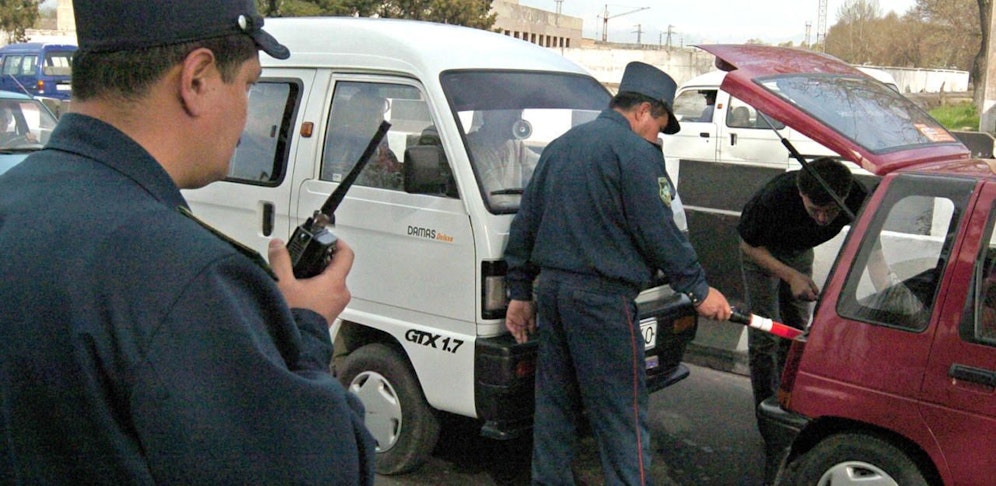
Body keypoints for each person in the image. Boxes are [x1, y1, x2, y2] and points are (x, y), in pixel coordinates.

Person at [0, 1, 375, 484]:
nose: (246, 115)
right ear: (197, 79)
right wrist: (304, 330)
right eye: (249, 85)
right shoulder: (182, 275)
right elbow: (326, 470)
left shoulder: (13, 199)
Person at [503, 61, 732, 485]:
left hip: (552, 294)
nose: (657, 136)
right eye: (659, 126)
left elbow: (525, 223)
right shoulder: (636, 154)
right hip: (602, 303)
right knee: (621, 415)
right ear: (644, 110)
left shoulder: (561, 145)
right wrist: (700, 291)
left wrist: (519, 291)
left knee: (554, 408)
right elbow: (660, 231)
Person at [738, 157, 868, 414]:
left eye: (830, 211)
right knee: (766, 332)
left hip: (799, 250)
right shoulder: (774, 197)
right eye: (814, 210)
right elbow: (749, 245)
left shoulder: (859, 198)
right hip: (762, 252)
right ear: (801, 194)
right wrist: (791, 276)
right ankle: (765, 408)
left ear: (843, 196)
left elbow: (871, 250)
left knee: (796, 330)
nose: (821, 218)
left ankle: (790, 399)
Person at [466, 109, 540, 206]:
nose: (517, 118)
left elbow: (542, 166)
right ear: (487, 115)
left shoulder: (516, 146)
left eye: (519, 112)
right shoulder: (471, 147)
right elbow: (495, 197)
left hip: (511, 215)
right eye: (510, 112)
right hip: (492, 216)